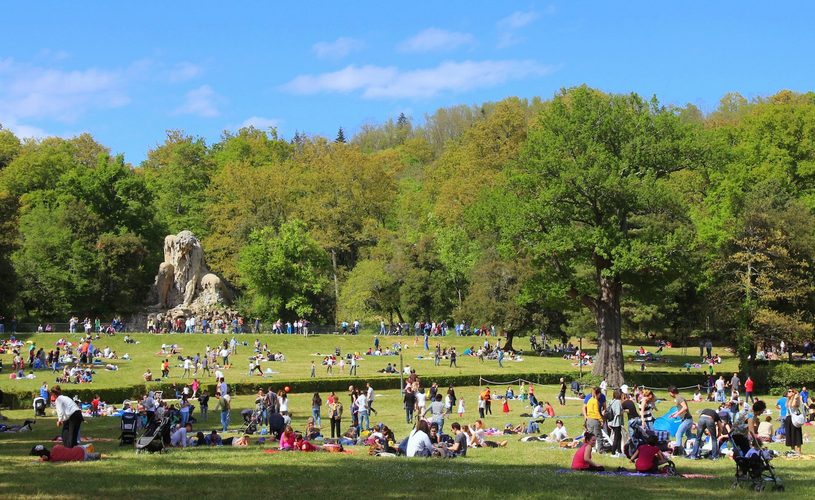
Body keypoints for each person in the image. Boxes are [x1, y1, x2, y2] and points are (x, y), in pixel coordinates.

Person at [668, 386, 693, 454]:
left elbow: (685, 407)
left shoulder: (679, 398)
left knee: (678, 434)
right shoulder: (679, 397)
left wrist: (677, 414)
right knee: (689, 436)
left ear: (672, 392)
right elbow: (680, 408)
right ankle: (695, 445)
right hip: (687, 419)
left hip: (687, 420)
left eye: (669, 393)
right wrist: (673, 414)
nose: (669, 394)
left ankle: (678, 450)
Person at [30, 444, 101, 462]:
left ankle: (94, 456)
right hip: (80, 449)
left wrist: (43, 460)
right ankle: (94, 455)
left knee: (85, 458)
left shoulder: (54, 460)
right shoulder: (56, 447)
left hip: (81, 458)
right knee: (75, 452)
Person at [785, 388, 803, 454]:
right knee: (790, 434)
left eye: (790, 391)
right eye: (788, 391)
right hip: (789, 418)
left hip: (795, 418)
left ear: (793, 393)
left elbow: (793, 406)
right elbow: (787, 406)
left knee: (796, 434)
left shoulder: (796, 400)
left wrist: (795, 398)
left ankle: (799, 450)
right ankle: (793, 450)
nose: (788, 393)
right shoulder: (788, 400)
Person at [607, 389, 624, 457]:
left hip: (611, 421)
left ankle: (619, 451)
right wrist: (624, 411)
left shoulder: (611, 401)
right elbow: (618, 413)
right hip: (616, 422)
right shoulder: (618, 402)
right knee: (617, 437)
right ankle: (613, 452)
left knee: (619, 436)